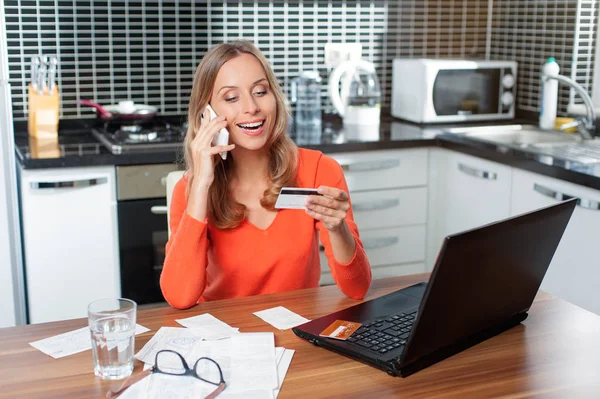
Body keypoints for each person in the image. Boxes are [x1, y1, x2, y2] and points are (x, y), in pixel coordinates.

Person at [160, 41, 372, 309]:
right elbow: (179, 297)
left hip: (297, 336)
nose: (251, 107)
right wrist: (201, 185)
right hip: (225, 338)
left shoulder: (319, 169)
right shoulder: (190, 191)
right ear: (207, 114)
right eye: (231, 98)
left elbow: (357, 288)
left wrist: (337, 228)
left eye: (261, 91)